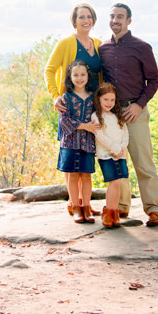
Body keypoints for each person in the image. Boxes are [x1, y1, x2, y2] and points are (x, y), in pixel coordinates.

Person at [99, 3, 158, 227]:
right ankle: (122, 206)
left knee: (143, 161)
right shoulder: (103, 49)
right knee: (118, 158)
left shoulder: (142, 47)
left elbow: (154, 80)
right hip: (113, 114)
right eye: (112, 16)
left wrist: (138, 105)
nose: (115, 20)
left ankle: (153, 209)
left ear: (129, 21)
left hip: (135, 112)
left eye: (120, 17)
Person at [56, 60, 99, 223]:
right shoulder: (66, 97)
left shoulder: (94, 97)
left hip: (88, 142)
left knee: (86, 175)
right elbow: (64, 120)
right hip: (70, 143)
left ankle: (86, 207)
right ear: (70, 77)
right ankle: (75, 207)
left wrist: (92, 127)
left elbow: (98, 117)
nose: (79, 78)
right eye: (76, 75)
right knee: (73, 175)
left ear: (88, 76)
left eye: (83, 75)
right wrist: (84, 126)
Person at [91, 82, 129, 229]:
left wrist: (121, 148)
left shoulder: (117, 116)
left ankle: (114, 213)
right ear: (99, 99)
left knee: (118, 182)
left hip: (120, 154)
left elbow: (125, 133)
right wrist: (113, 147)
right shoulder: (96, 116)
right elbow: (100, 136)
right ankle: (108, 212)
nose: (109, 103)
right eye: (106, 99)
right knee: (113, 182)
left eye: (112, 100)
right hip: (106, 154)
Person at [44, 3, 101, 99]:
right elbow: (49, 71)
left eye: (89, 17)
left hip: (96, 103)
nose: (86, 20)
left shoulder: (99, 44)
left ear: (93, 20)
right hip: (72, 106)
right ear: (74, 21)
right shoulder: (65, 43)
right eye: (81, 17)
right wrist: (56, 96)